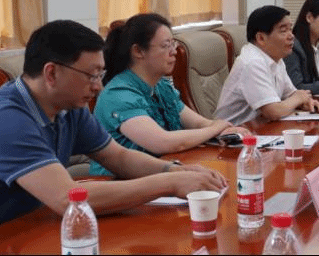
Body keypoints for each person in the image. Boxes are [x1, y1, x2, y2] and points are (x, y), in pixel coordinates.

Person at [0, 20, 227, 252]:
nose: (98, 86)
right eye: (92, 75)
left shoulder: (68, 107)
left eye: (101, 75)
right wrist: (170, 183)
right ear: (51, 73)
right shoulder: (5, 119)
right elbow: (67, 199)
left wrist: (175, 170)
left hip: (26, 231)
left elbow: (118, 157)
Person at [90, 13, 248, 176]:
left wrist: (227, 131)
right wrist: (216, 128)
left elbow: (199, 123)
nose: (174, 52)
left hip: (165, 172)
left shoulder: (161, 86)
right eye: (166, 46)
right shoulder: (118, 95)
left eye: (173, 44)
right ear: (138, 51)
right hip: (123, 182)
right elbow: (163, 142)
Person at [213, 5, 319, 126]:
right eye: (283, 31)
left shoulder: (276, 58)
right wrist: (299, 98)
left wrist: (306, 102)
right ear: (261, 38)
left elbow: (290, 94)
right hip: (232, 133)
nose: (291, 36)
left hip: (258, 128)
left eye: (290, 29)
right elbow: (273, 112)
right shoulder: (252, 62)